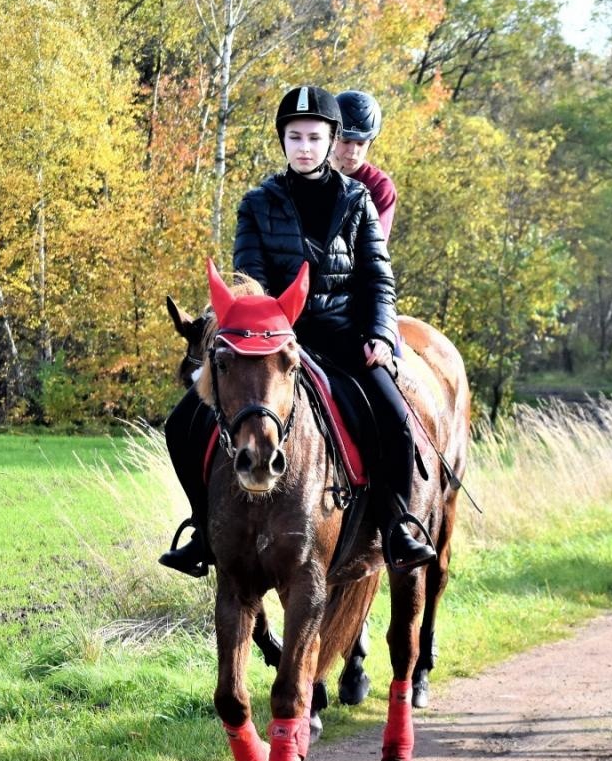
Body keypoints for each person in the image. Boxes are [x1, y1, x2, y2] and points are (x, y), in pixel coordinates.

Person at [159, 85, 436, 577]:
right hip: (273, 343)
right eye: (294, 137)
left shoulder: (358, 200)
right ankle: (203, 531)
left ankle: (397, 525)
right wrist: (263, 337)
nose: (304, 147)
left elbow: (378, 276)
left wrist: (378, 333)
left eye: (314, 137)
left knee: (396, 420)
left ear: (331, 140)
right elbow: (250, 283)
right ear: (282, 142)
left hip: (345, 338)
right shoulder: (257, 203)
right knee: (182, 423)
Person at [328, 90, 397, 241]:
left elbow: (374, 246)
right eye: (345, 141)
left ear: (371, 142)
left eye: (361, 143)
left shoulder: (380, 187)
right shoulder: (307, 175)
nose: (353, 151)